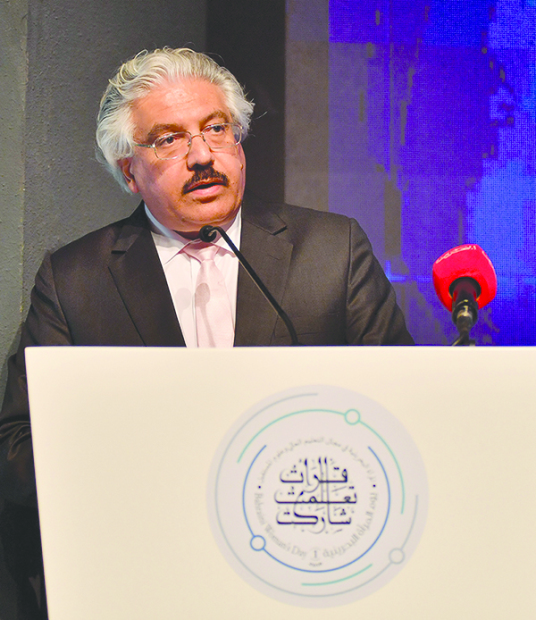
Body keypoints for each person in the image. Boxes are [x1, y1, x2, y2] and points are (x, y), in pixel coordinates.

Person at [0, 47, 413, 618]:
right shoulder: (75, 280)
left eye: (216, 129)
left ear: (238, 145)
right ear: (129, 172)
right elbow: (17, 449)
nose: (201, 155)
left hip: (306, 572)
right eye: (168, 139)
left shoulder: (332, 252)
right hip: (148, 580)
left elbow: (402, 411)